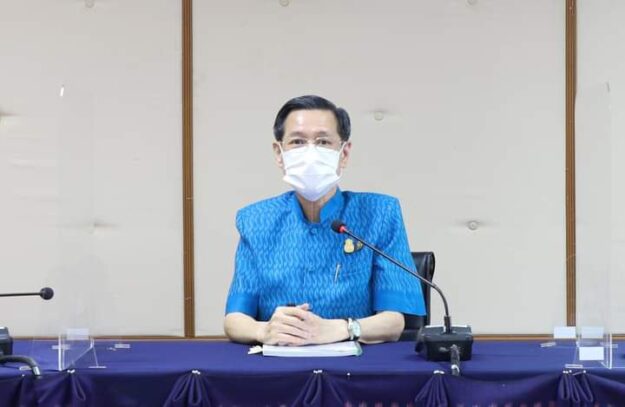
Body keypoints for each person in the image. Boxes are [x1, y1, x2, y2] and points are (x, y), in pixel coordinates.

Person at [224, 95, 425, 346]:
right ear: (279, 153)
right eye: (297, 142)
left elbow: (394, 323)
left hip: (356, 361)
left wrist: (342, 328)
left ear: (344, 153)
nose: (310, 153)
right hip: (279, 358)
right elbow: (234, 318)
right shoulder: (255, 220)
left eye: (323, 142)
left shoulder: (379, 213)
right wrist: (263, 331)